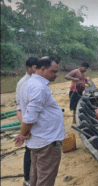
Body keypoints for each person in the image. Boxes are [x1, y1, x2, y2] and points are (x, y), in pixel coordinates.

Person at [15, 56, 65, 186]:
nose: (56, 75)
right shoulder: (39, 87)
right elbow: (30, 116)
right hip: (46, 141)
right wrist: (23, 133)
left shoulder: (27, 84)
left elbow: (20, 109)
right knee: (45, 179)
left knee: (36, 176)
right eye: (53, 71)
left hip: (38, 140)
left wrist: (24, 132)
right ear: (42, 69)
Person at [15, 57, 38, 186]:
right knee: (29, 150)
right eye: (36, 67)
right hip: (28, 123)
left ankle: (33, 178)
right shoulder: (23, 83)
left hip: (34, 123)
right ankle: (27, 179)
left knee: (35, 151)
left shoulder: (36, 81)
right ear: (30, 68)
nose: (38, 69)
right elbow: (19, 109)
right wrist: (25, 128)